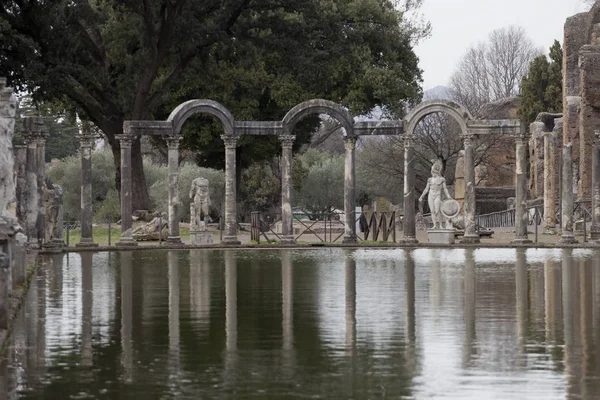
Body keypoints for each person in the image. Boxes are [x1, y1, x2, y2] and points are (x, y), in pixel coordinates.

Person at [419, 159, 452, 229]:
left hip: (437, 195)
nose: (432, 173)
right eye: (432, 171)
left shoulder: (442, 179)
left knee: (437, 210)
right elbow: (426, 189)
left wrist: (448, 195)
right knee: (432, 211)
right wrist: (421, 196)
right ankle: (434, 225)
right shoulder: (430, 180)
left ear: (437, 171)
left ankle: (440, 225)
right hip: (431, 195)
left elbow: (445, 188)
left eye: (434, 171)